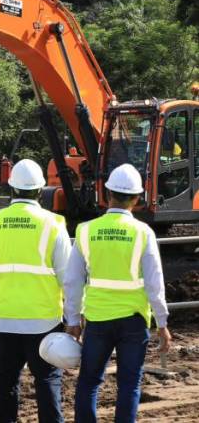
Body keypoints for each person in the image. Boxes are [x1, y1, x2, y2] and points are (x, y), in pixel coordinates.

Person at [64, 164, 172, 423]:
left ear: (107, 193)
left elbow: (72, 280)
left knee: (89, 382)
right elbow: (154, 283)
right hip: (134, 321)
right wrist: (163, 323)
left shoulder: (86, 230)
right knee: (129, 384)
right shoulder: (143, 233)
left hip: (98, 319)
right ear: (136, 199)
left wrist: (73, 321)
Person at [0, 159, 71, 423]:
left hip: (3, 320)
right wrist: (74, 317)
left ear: (11, 189)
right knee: (47, 380)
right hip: (44, 321)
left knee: (2, 383)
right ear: (40, 191)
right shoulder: (53, 225)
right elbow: (68, 278)